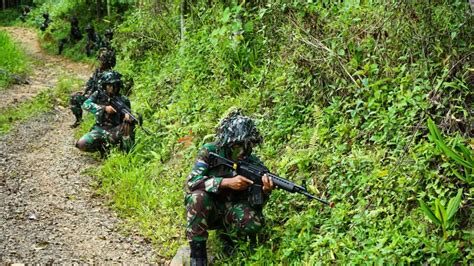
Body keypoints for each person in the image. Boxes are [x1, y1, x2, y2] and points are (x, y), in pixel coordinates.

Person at [185, 109, 275, 266]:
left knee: (254, 221)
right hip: (209, 210)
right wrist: (226, 182)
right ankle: (197, 255)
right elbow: (192, 183)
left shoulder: (253, 163)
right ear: (228, 142)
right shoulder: (211, 151)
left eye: (248, 146)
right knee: (197, 198)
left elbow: (256, 205)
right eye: (238, 145)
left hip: (232, 211)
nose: (242, 151)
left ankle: (228, 238)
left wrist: (265, 191)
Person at [75, 70, 134, 154]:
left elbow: (128, 115)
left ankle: (126, 152)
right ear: (105, 85)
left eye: (115, 86)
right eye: (109, 85)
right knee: (81, 144)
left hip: (115, 131)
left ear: (118, 86)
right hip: (99, 128)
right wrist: (104, 108)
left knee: (128, 125)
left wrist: (127, 118)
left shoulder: (124, 100)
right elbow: (86, 104)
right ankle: (103, 149)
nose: (112, 88)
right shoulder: (98, 95)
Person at [69, 48, 116, 128]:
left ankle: (100, 121)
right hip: (93, 96)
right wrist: (86, 92)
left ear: (106, 61)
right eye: (100, 59)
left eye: (101, 59)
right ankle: (79, 120)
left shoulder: (110, 75)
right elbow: (90, 83)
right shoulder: (98, 71)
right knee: (74, 97)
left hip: (102, 100)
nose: (100, 61)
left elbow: (110, 92)